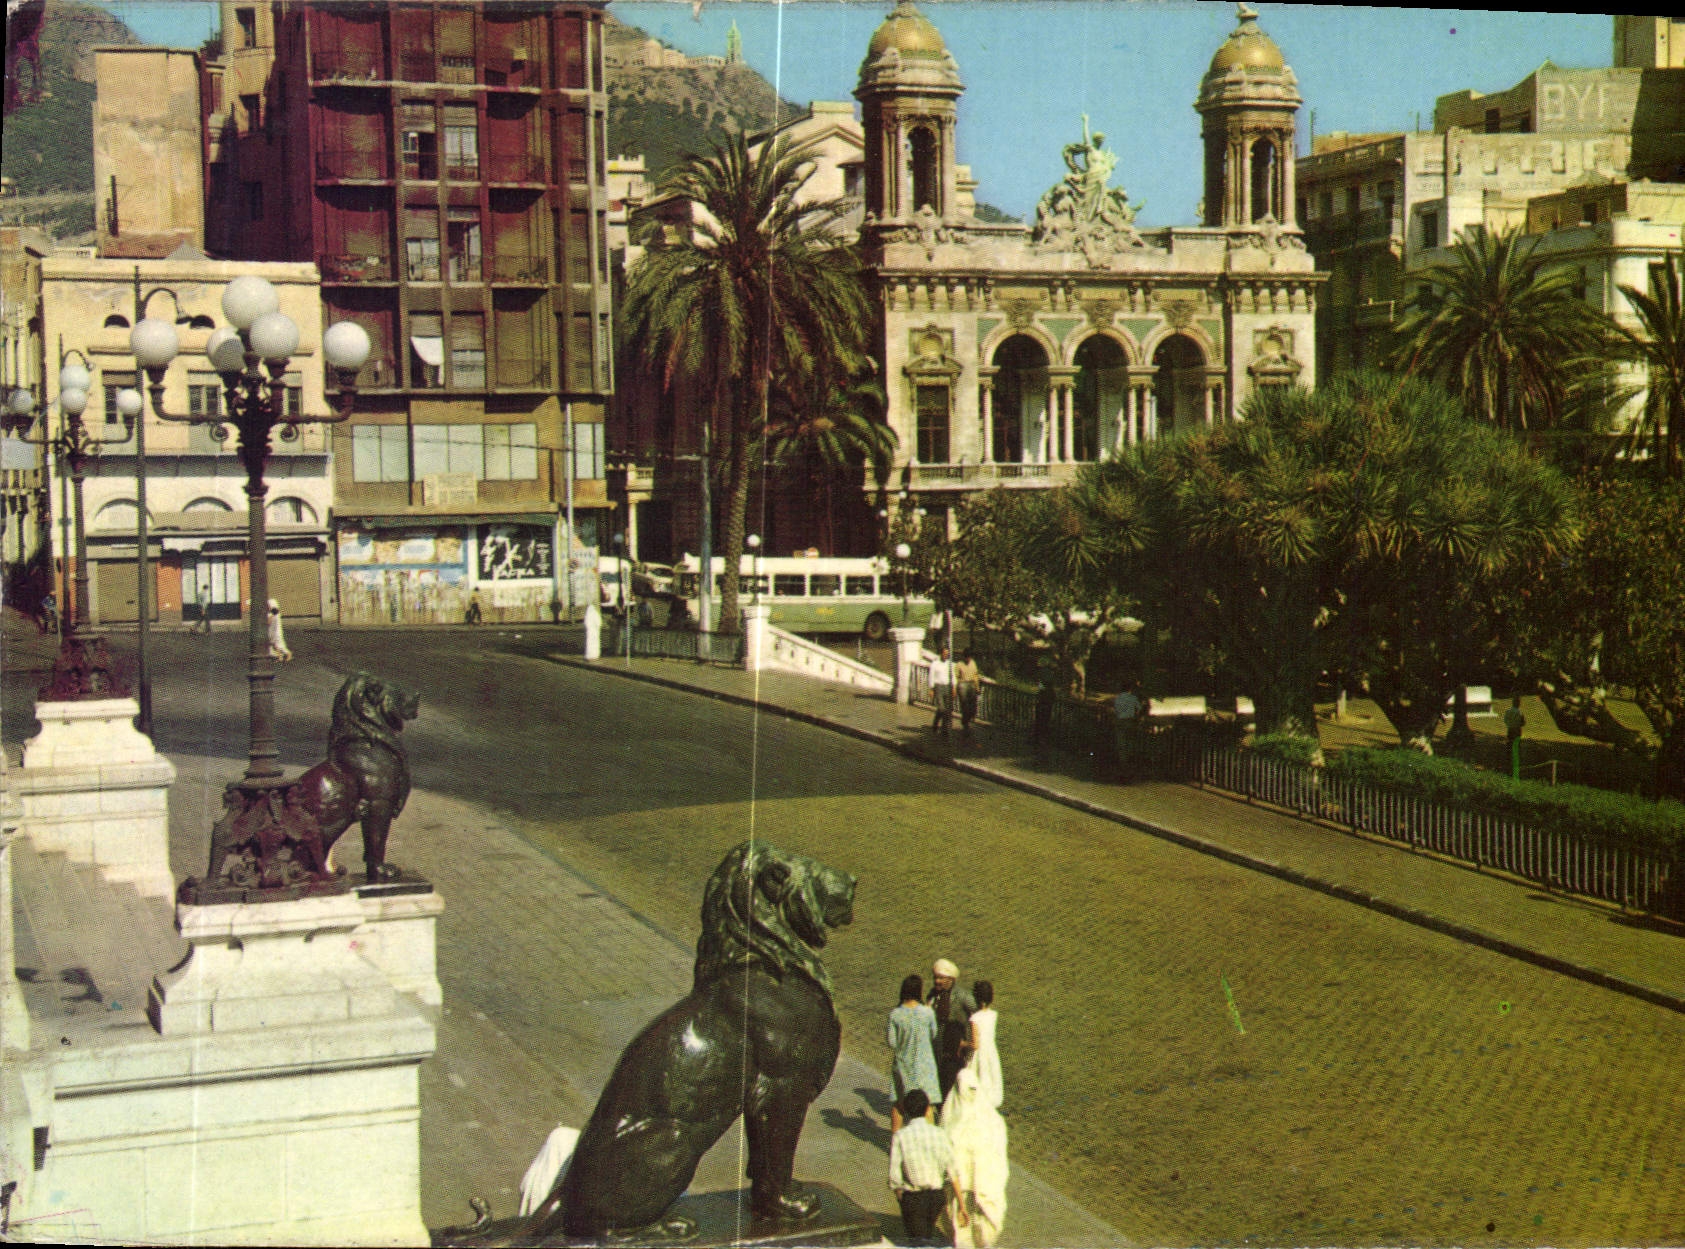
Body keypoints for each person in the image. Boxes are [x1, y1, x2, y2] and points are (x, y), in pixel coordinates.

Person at [940, 1060, 1009, 1248]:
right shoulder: (993, 1121)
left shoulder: (951, 1121)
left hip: (973, 1189)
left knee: (975, 1233)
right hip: (968, 1189)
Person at [889, 1089, 967, 1246]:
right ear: (927, 1109)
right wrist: (961, 1205)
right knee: (927, 1235)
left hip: (914, 1198)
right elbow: (953, 1171)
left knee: (918, 1241)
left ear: (906, 1112)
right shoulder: (940, 1134)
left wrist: (902, 1199)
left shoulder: (900, 1137)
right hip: (936, 1197)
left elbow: (894, 1177)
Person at [887, 974, 941, 1133]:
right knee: (928, 1104)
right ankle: (929, 1140)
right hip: (925, 1065)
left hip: (903, 1065)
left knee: (899, 1104)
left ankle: (895, 1142)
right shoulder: (927, 1013)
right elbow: (934, 1034)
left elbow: (892, 1043)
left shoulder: (895, 1014)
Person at [928, 958, 976, 1099]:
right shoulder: (933, 995)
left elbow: (977, 1013)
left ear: (951, 979)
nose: (937, 981)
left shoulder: (962, 996)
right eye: (936, 978)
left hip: (956, 1047)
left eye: (941, 978)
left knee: (952, 1083)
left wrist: (969, 1040)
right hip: (938, 1044)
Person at [964, 980, 1002, 1111]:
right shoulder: (993, 1015)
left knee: (978, 1078)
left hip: (979, 1054)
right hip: (991, 1052)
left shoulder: (975, 1018)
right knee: (991, 1077)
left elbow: (975, 1044)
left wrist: (963, 1044)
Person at [1113, 680, 1144, 778]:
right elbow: (1139, 709)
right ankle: (1130, 762)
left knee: (1121, 743)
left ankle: (1123, 763)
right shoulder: (1133, 698)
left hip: (1120, 721)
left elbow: (1116, 710)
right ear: (1130, 689)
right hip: (1130, 722)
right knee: (1130, 741)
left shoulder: (1118, 698)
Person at [953, 650, 981, 736]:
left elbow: (976, 675)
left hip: (971, 684)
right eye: (967, 657)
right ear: (964, 657)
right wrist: (955, 688)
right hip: (963, 684)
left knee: (973, 704)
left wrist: (977, 687)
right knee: (964, 704)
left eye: (969, 657)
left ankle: (968, 718)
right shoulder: (959, 665)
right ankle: (965, 723)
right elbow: (955, 677)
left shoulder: (973, 663)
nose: (968, 659)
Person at [928, 646, 954, 736]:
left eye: (947, 654)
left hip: (947, 687)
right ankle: (939, 726)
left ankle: (943, 728)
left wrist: (953, 687)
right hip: (938, 687)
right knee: (941, 708)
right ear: (941, 654)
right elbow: (931, 676)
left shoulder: (949, 664)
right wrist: (931, 689)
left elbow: (952, 676)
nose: (946, 655)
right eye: (944, 653)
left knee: (946, 709)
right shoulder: (935, 664)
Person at [1504, 695, 1526, 781]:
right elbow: (1523, 723)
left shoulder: (1508, 711)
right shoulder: (1520, 712)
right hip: (1517, 731)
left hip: (1510, 730)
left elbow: (1505, 720)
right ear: (1518, 704)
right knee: (1516, 747)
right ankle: (1515, 765)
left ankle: (1508, 762)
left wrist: (1510, 724)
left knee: (1509, 745)